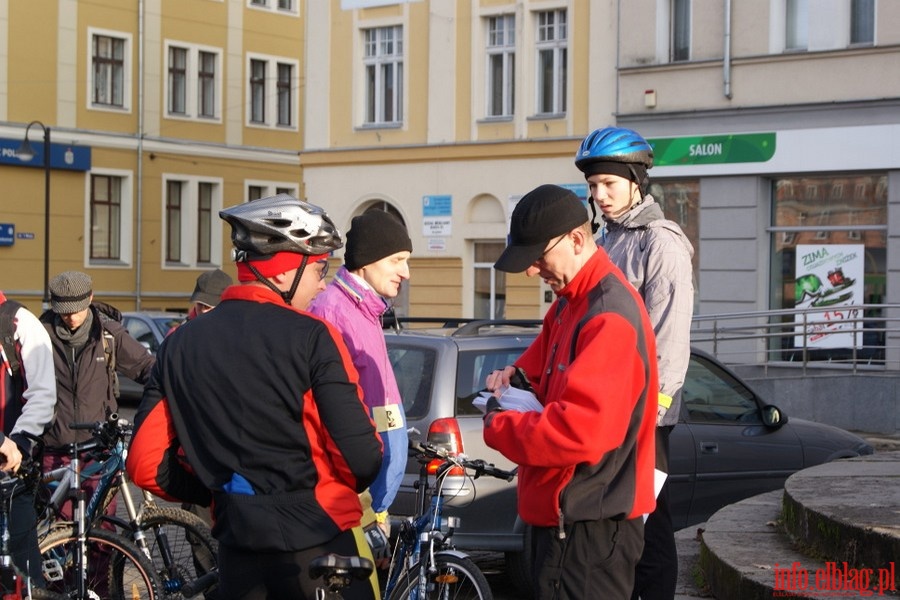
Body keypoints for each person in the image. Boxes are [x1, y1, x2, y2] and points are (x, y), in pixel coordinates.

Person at [126, 193, 383, 600]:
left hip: (237, 549)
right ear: (282, 273)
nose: (323, 282)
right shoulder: (313, 337)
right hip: (318, 544)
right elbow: (363, 457)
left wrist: (219, 491)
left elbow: (143, 463)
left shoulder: (178, 345)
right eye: (319, 267)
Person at [482, 184, 659, 599]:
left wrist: (499, 425)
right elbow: (538, 368)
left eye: (538, 257)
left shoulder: (606, 315)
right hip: (572, 523)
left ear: (577, 240)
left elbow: (579, 431)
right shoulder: (569, 302)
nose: (531, 270)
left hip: (588, 530)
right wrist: (514, 377)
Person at [575, 125, 695, 600]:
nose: (599, 195)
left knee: (649, 524)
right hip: (609, 407)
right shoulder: (608, 239)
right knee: (621, 525)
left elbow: (670, 337)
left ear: (635, 181)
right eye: (592, 187)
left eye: (608, 184)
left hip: (644, 414)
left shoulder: (659, 242)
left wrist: (652, 410)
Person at [309, 210, 412, 563]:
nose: (406, 272)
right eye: (397, 260)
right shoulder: (332, 311)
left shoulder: (368, 312)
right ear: (367, 261)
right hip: (352, 503)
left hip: (371, 503)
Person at [39, 271, 155, 521]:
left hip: (99, 448)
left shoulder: (108, 334)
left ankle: (102, 561)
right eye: (63, 310)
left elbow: (148, 368)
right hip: (55, 447)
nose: (69, 317)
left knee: (101, 527)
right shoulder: (39, 336)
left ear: (90, 298)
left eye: (76, 310)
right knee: (59, 528)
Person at [0, 292, 57, 584]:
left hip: (10, 467)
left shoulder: (18, 322)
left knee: (22, 571)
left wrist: (20, 441)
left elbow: (43, 393)